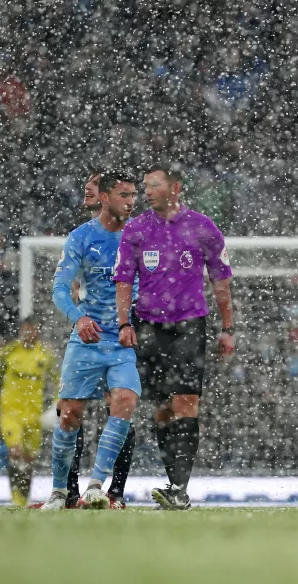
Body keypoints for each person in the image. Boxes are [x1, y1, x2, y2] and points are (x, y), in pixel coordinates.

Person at [114, 166, 235, 511]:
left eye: (154, 185)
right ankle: (173, 486)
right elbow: (123, 281)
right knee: (162, 410)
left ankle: (179, 489)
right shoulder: (136, 229)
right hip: (149, 326)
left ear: (175, 188)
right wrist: (125, 324)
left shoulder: (203, 227)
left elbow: (221, 281)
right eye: (145, 186)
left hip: (189, 325)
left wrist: (227, 328)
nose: (147, 191)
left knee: (186, 403)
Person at [41, 172, 143, 510]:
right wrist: (78, 318)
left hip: (123, 338)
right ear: (106, 197)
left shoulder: (140, 236)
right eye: (125, 195)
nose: (131, 202)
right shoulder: (81, 238)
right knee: (69, 414)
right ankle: (59, 492)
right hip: (87, 337)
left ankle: (97, 486)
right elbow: (58, 289)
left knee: (125, 400)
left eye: (133, 195)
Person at [0, 317, 59, 506]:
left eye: (32, 329)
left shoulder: (45, 355)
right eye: (26, 329)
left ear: (37, 331)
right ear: (20, 331)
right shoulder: (9, 352)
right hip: (10, 412)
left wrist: (56, 406)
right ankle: (16, 500)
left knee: (28, 459)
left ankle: (24, 499)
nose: (29, 333)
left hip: (34, 415)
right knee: (15, 452)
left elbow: (59, 380)